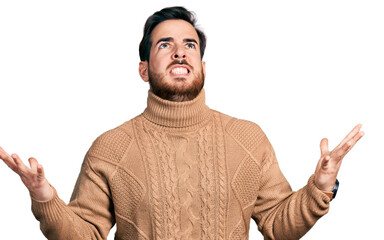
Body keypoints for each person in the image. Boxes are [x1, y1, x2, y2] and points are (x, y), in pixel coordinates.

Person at [0, 6, 364, 240]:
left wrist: (319, 188)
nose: (179, 51)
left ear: (203, 66)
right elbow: (86, 235)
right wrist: (45, 199)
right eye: (164, 45)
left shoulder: (248, 138)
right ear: (143, 70)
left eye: (190, 44)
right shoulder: (110, 148)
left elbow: (277, 224)